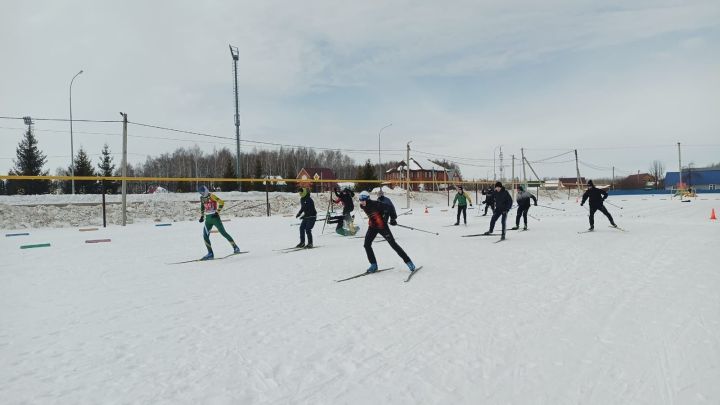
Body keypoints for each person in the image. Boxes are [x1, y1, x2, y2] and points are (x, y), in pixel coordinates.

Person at [358, 190, 416, 273]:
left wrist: (392, 218)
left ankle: (408, 262)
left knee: (393, 245)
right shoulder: (362, 206)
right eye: (360, 200)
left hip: (383, 227)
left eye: (363, 200)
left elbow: (389, 207)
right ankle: (373, 265)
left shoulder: (376, 204)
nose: (361, 202)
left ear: (367, 199)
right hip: (372, 227)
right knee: (366, 245)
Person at [198, 185, 240, 260]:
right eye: (200, 193)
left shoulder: (211, 196)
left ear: (206, 190)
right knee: (205, 236)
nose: (202, 194)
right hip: (208, 220)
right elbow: (202, 206)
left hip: (215, 218)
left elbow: (221, 202)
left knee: (223, 233)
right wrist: (202, 216)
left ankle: (235, 247)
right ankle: (210, 253)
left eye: (203, 192)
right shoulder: (202, 198)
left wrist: (217, 212)